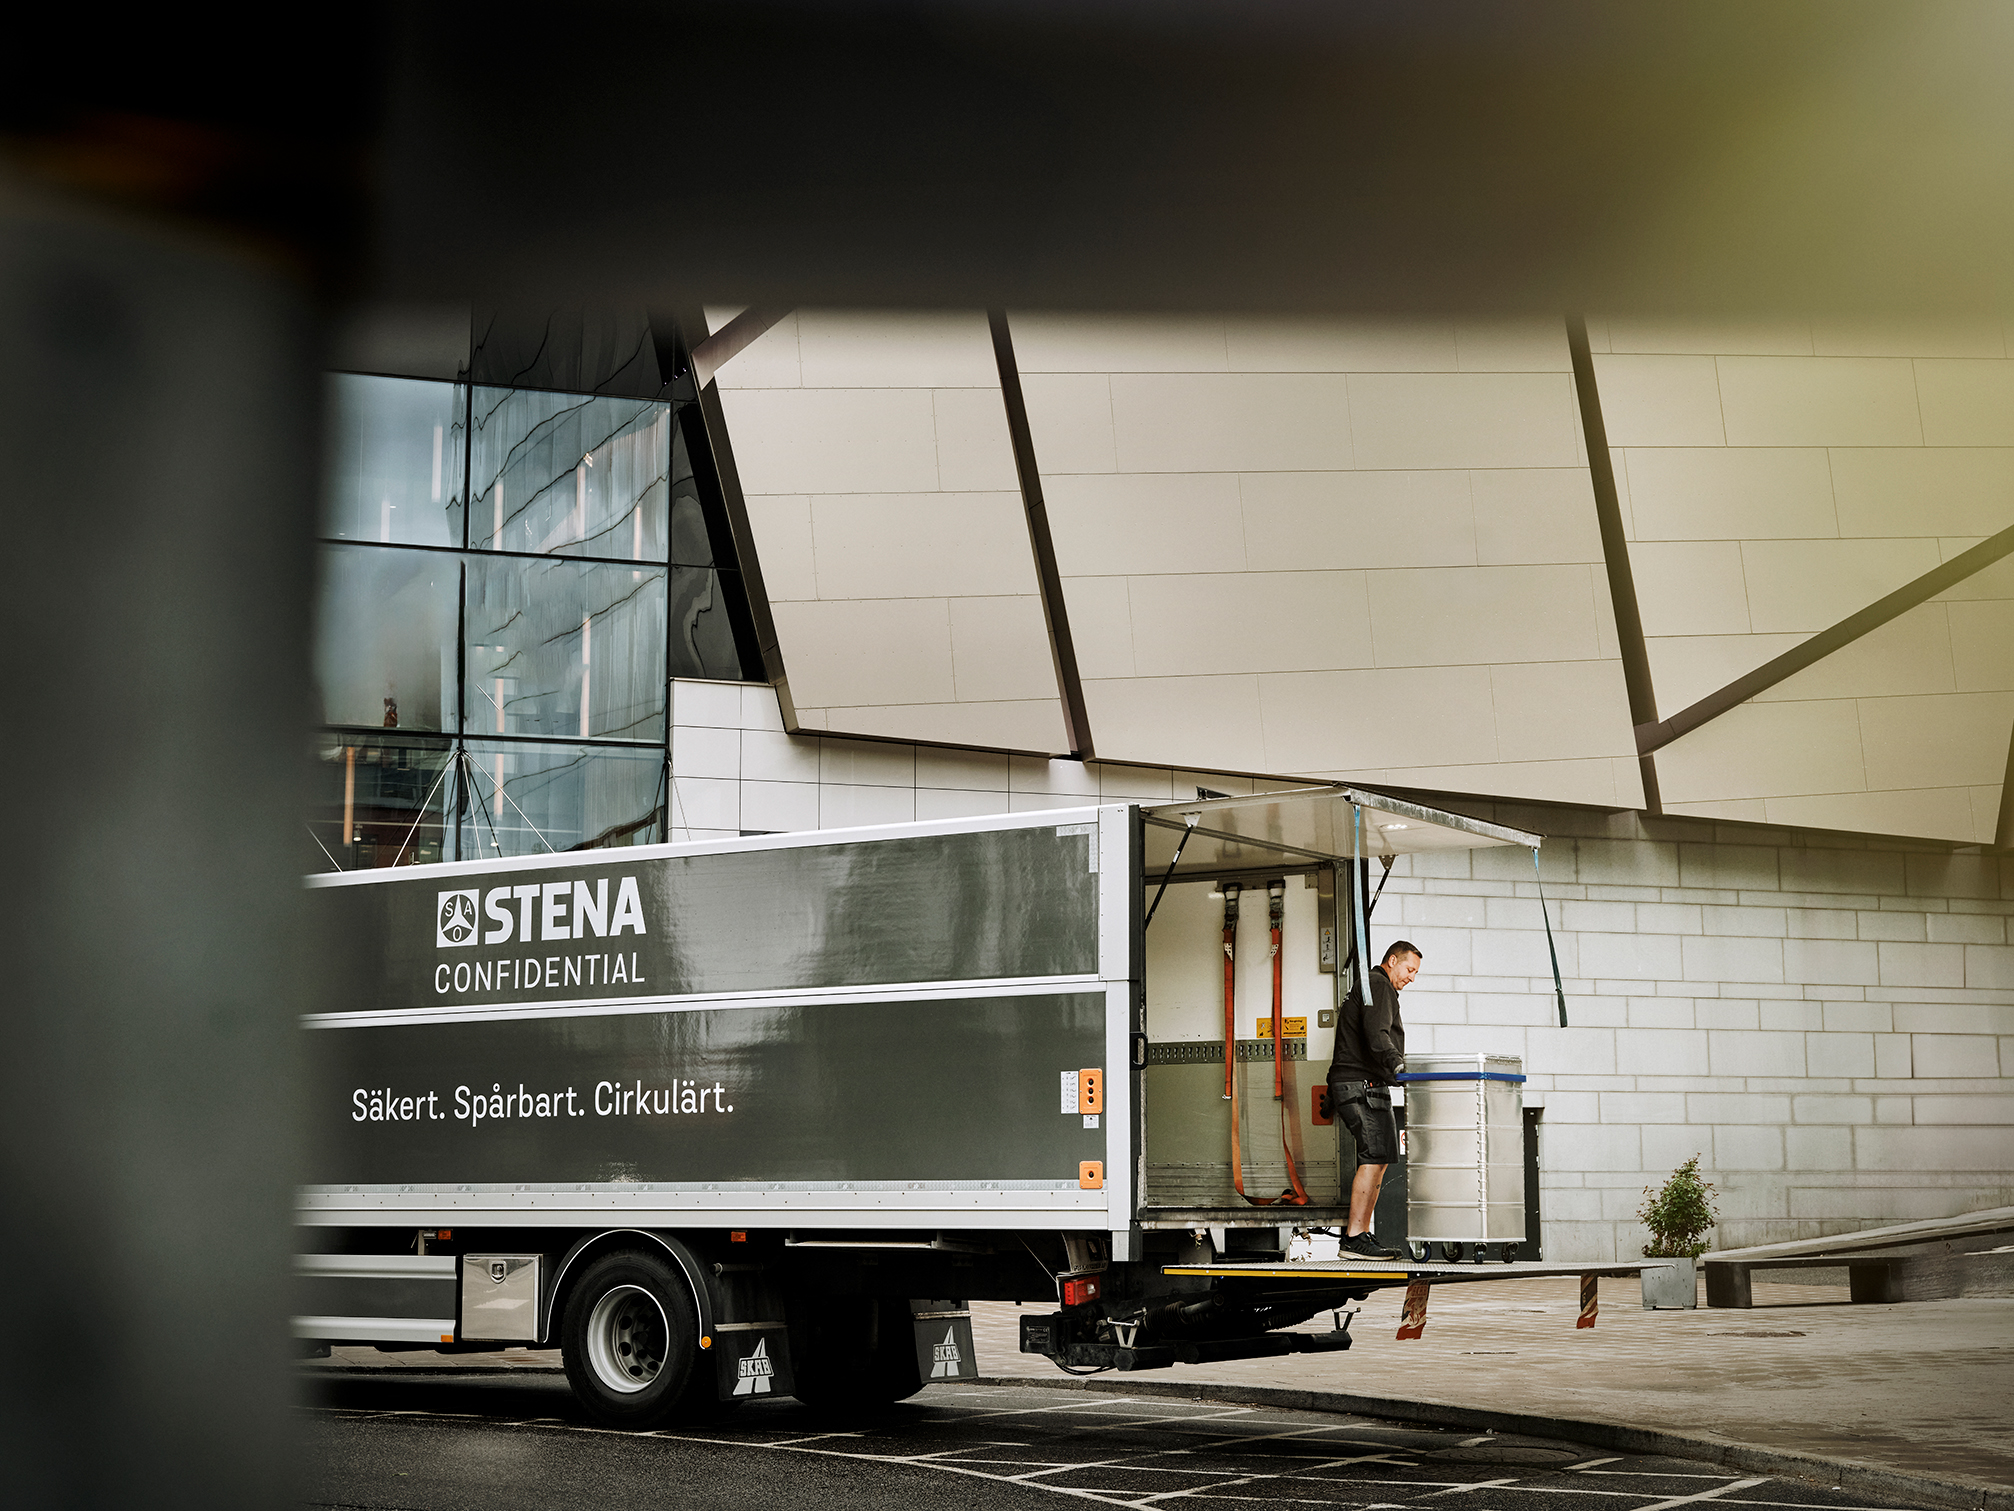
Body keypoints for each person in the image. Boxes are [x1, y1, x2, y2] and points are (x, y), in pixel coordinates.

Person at [1326, 941, 1421, 1259]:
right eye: (1409, 969)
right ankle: (1354, 1237)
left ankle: (1361, 1234)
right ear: (1392, 960)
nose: (1411, 978)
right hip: (1358, 1085)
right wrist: (1398, 1065)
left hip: (1365, 1084)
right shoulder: (1378, 984)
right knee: (1374, 1156)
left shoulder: (1376, 987)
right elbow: (1377, 1033)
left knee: (1379, 1158)